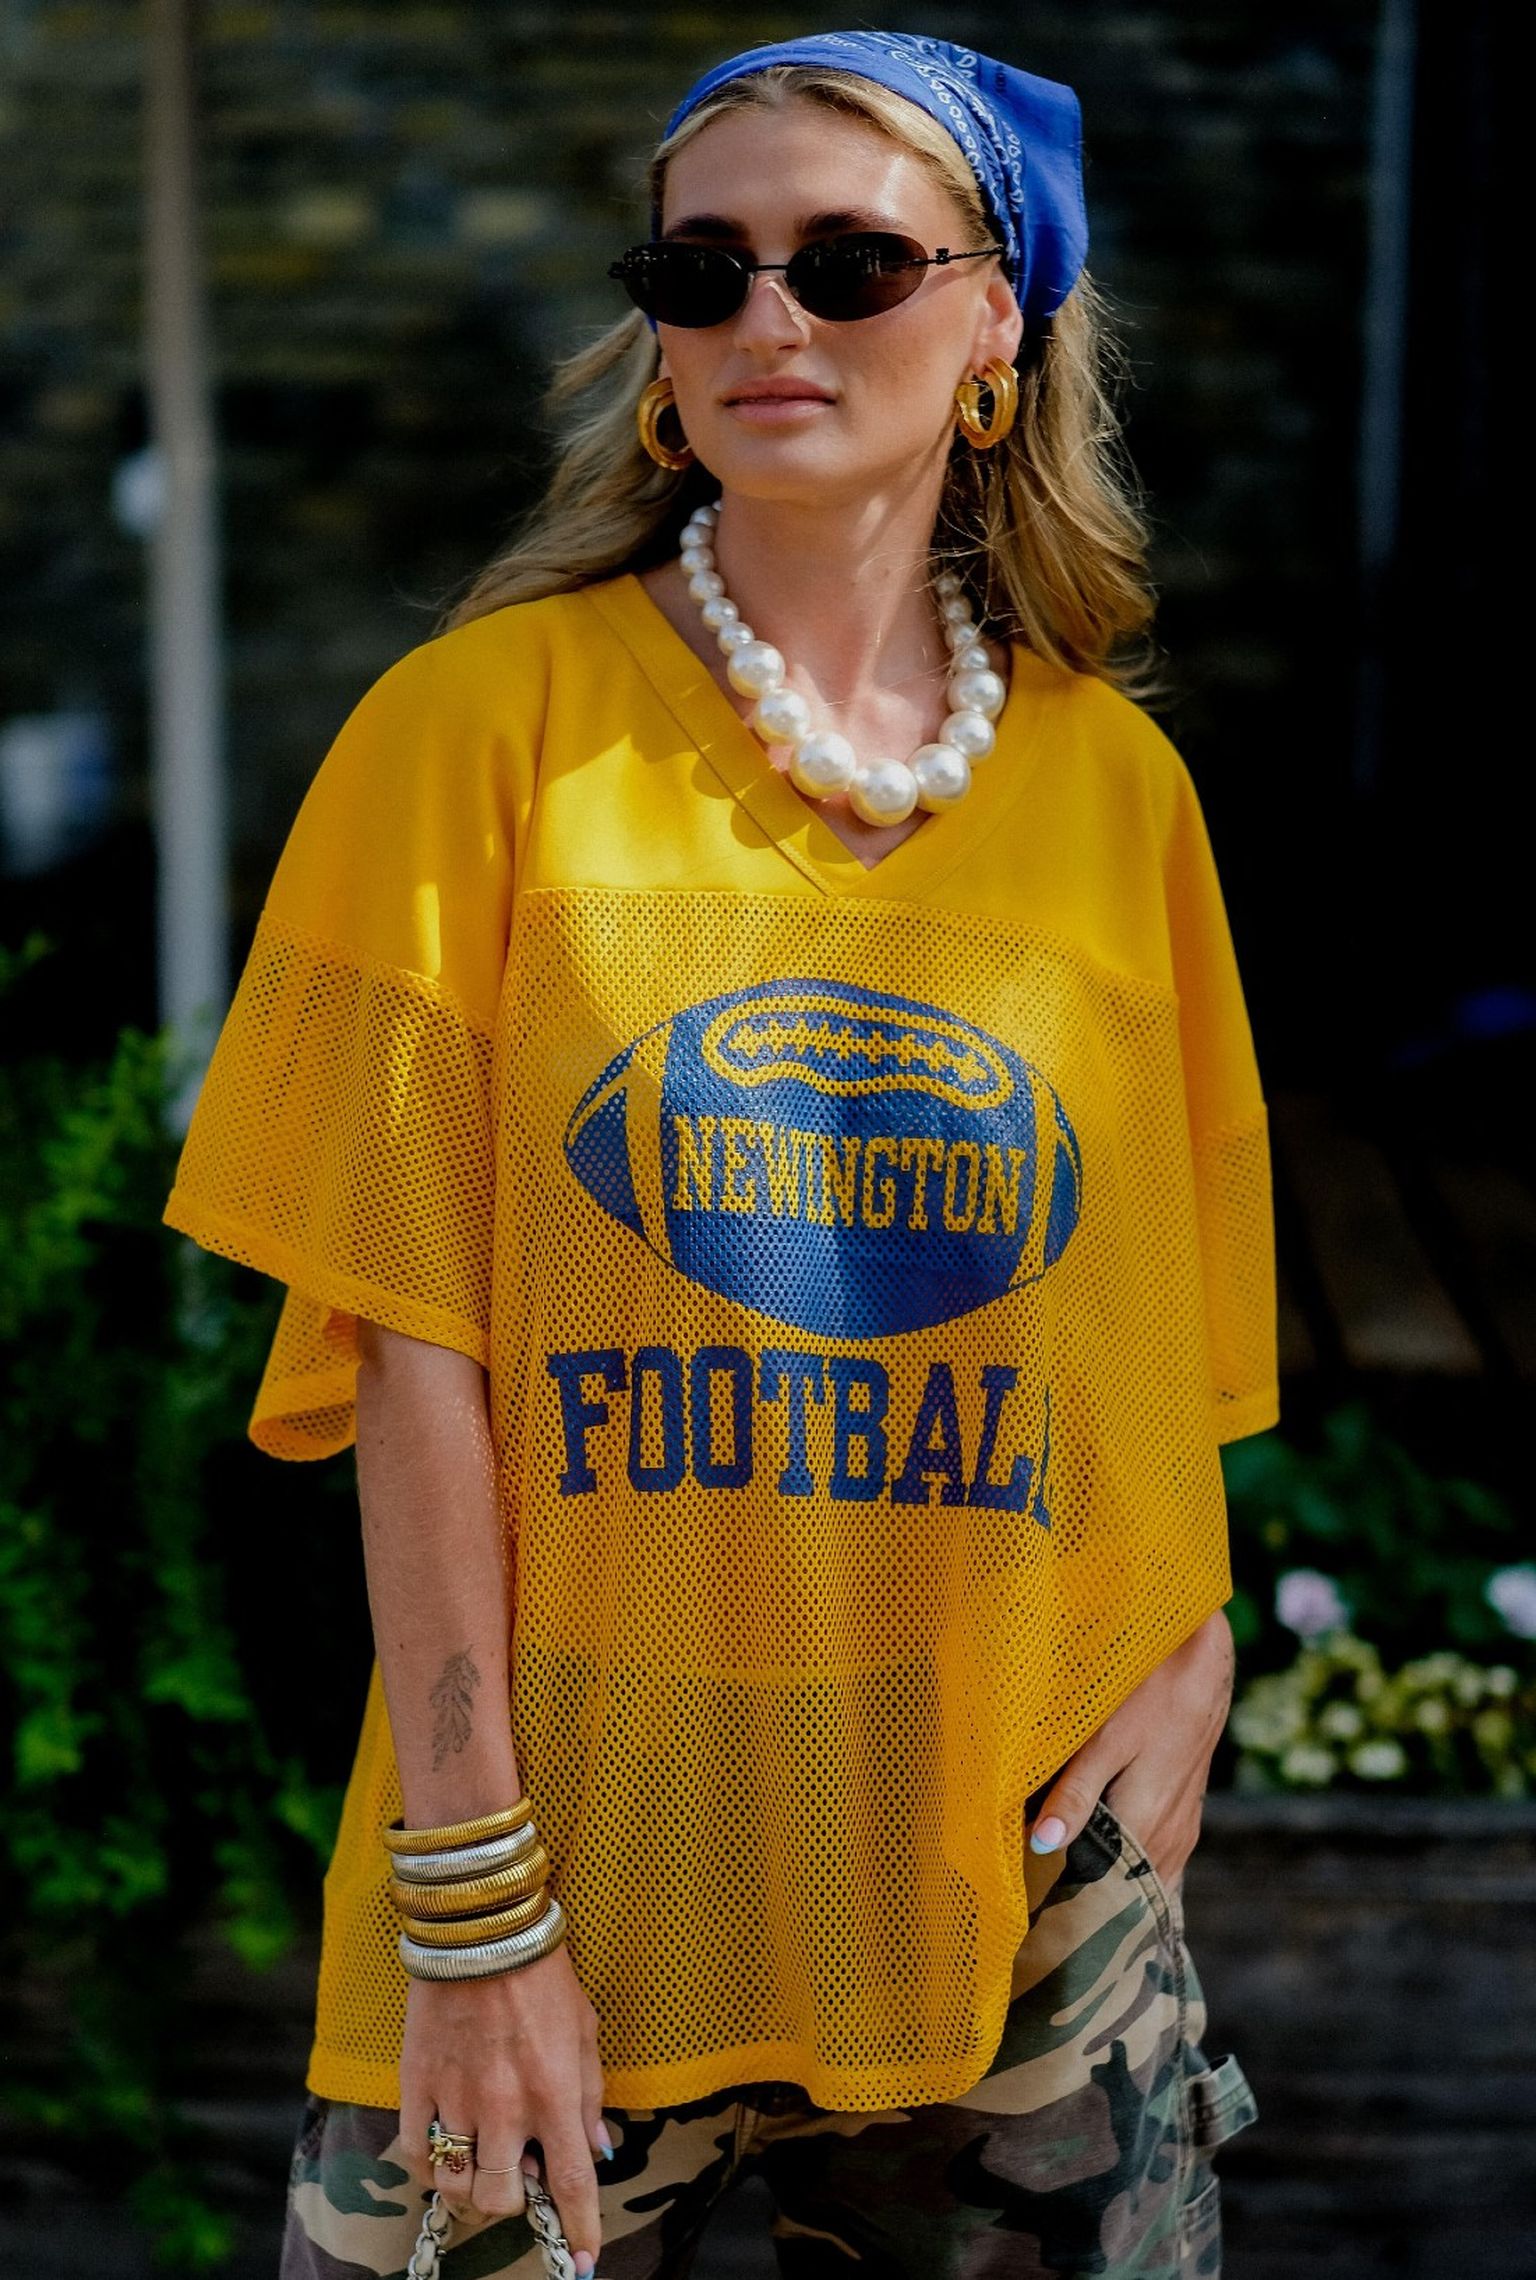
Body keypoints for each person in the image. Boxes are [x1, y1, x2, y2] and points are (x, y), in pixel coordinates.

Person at [163, 30, 1276, 2280]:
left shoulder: (1119, 796)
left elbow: (1151, 1303)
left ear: (997, 319)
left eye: (850, 262)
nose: (769, 317)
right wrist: (475, 1912)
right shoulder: (471, 735)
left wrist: (1198, 1628)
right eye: (703, 267)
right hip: (567, 1869)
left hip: (1012, 1878)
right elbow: (411, 1355)